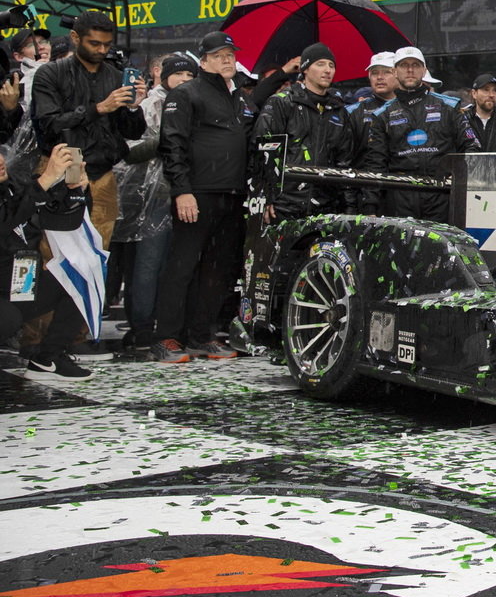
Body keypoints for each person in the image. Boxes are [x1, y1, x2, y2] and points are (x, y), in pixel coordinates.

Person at [29, 10, 146, 358]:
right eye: (94, 43)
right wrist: (98, 107)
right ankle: (38, 341)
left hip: (102, 172)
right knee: (53, 258)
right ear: (76, 38)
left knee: (94, 258)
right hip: (64, 165)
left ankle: (73, 338)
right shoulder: (50, 73)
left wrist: (133, 106)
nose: (101, 49)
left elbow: (133, 132)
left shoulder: (115, 75)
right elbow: (48, 125)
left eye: (107, 44)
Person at [152, 32, 256, 364]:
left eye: (231, 54)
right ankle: (165, 337)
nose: (228, 59)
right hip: (196, 194)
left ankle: (201, 335)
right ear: (204, 61)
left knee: (218, 270)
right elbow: (173, 145)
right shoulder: (185, 93)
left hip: (232, 194)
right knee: (181, 267)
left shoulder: (237, 96)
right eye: (220, 55)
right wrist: (182, 190)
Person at [114, 52, 196, 350]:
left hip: (187, 194)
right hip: (154, 199)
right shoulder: (150, 104)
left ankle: (171, 324)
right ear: (164, 76)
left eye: (190, 76)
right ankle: (141, 327)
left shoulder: (194, 104)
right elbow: (127, 150)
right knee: (148, 264)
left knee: (174, 267)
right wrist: (165, 142)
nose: (185, 81)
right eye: (180, 75)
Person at [360, 46, 479, 220]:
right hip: (400, 195)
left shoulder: (449, 106)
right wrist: (370, 205)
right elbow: (375, 162)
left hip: (442, 193)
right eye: (404, 65)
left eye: (415, 65)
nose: (410, 70)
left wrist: (463, 186)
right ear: (394, 71)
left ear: (424, 71)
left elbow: (471, 147)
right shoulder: (381, 115)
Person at [251, 43, 355, 220]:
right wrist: (263, 196)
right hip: (282, 206)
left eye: (331, 65)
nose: (328, 70)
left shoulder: (339, 110)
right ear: (305, 69)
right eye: (320, 64)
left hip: (326, 209)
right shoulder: (282, 102)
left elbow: (345, 162)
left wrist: (349, 207)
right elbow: (262, 150)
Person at [14, 143, 92, 378]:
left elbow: (59, 221)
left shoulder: (12, 187)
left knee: (78, 277)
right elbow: (7, 218)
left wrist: (77, 192)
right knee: (7, 319)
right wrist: (46, 179)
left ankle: (48, 358)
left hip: (16, 283)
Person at [465, 73, 496, 151]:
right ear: (474, 94)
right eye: (486, 89)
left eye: (495, 90)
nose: (491, 95)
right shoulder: (463, 122)